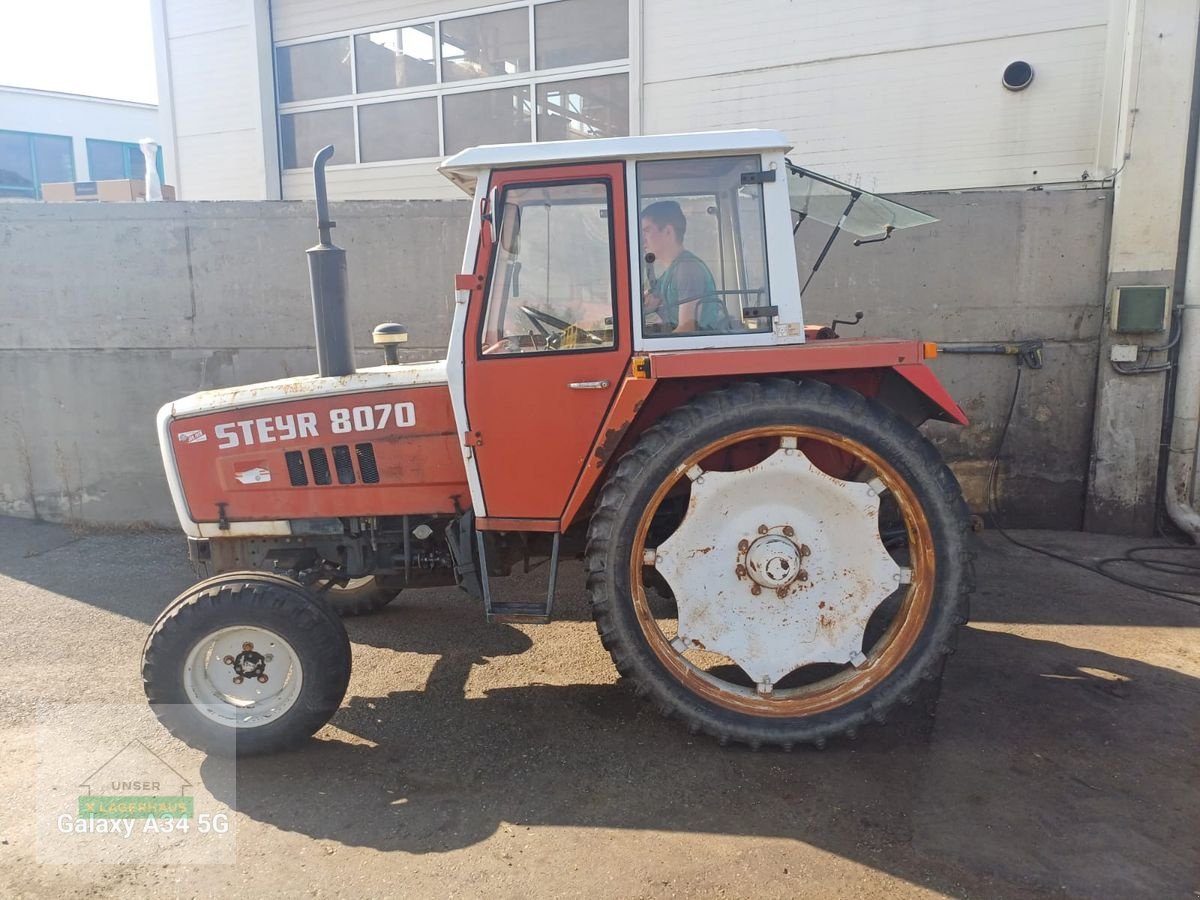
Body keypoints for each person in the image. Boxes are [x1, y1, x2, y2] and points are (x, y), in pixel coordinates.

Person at [640, 201, 725, 334]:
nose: (642, 239)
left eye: (646, 231)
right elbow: (651, 303)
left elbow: (687, 328)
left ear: (668, 231)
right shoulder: (670, 272)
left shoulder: (687, 269)